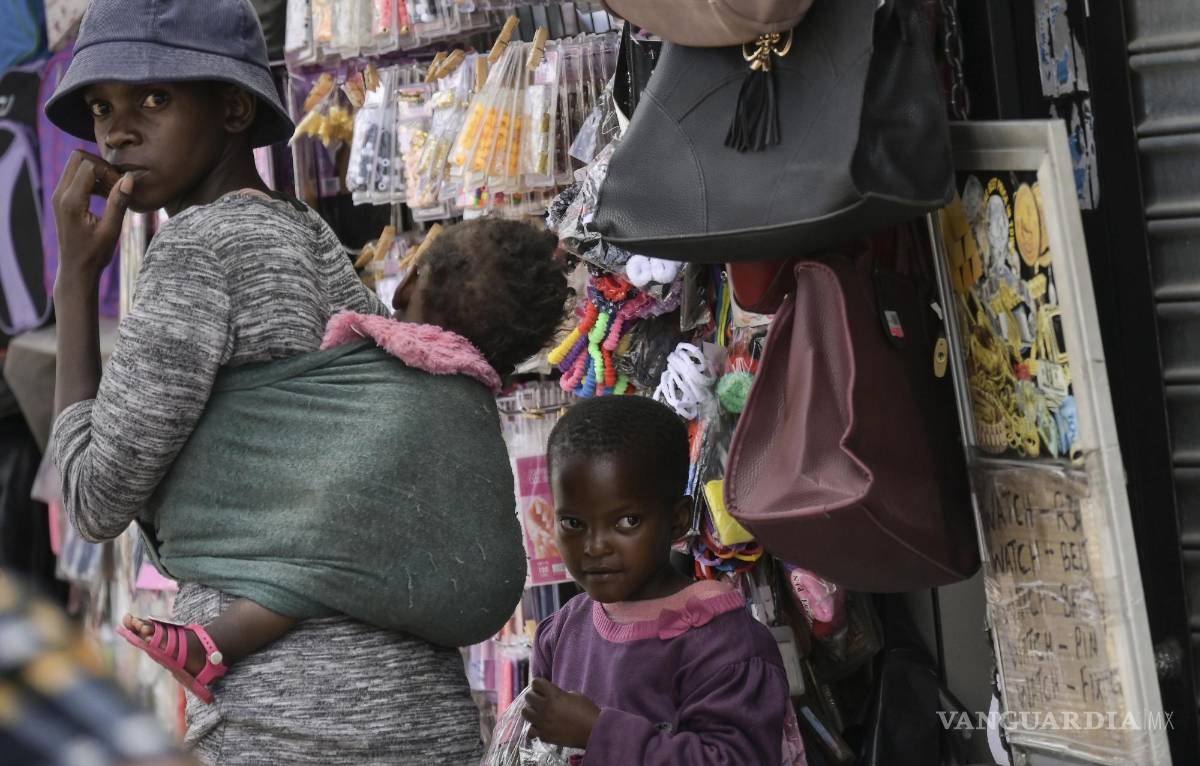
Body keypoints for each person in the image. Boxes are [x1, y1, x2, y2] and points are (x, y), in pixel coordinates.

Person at [46, 1, 567, 762]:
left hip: (290, 720)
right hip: (421, 710)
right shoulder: (315, 243)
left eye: (154, 98)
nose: (118, 132)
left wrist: (74, 286)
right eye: (101, 108)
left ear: (232, 108)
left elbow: (93, 498)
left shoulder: (200, 249)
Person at [522, 396, 802, 764]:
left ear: (678, 520)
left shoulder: (725, 647)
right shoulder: (560, 633)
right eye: (573, 523)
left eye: (627, 522)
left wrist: (598, 733)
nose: (594, 547)